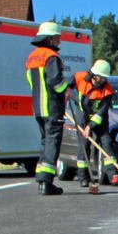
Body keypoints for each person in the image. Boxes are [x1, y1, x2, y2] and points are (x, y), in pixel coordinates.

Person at [25, 21, 70, 196]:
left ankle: (41, 179)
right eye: (58, 38)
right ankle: (47, 182)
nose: (59, 41)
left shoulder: (31, 57)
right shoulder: (51, 56)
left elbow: (30, 81)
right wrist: (65, 90)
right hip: (52, 107)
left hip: (38, 108)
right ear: (50, 39)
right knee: (52, 143)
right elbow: (55, 81)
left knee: (45, 142)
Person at [71, 59, 115, 187]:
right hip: (82, 115)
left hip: (98, 118)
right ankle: (83, 177)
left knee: (106, 141)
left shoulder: (108, 90)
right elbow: (65, 85)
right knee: (83, 146)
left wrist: (90, 127)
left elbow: (101, 112)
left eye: (105, 78)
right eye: (102, 77)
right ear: (95, 75)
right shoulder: (80, 77)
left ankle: (112, 174)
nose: (104, 80)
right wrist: (67, 92)